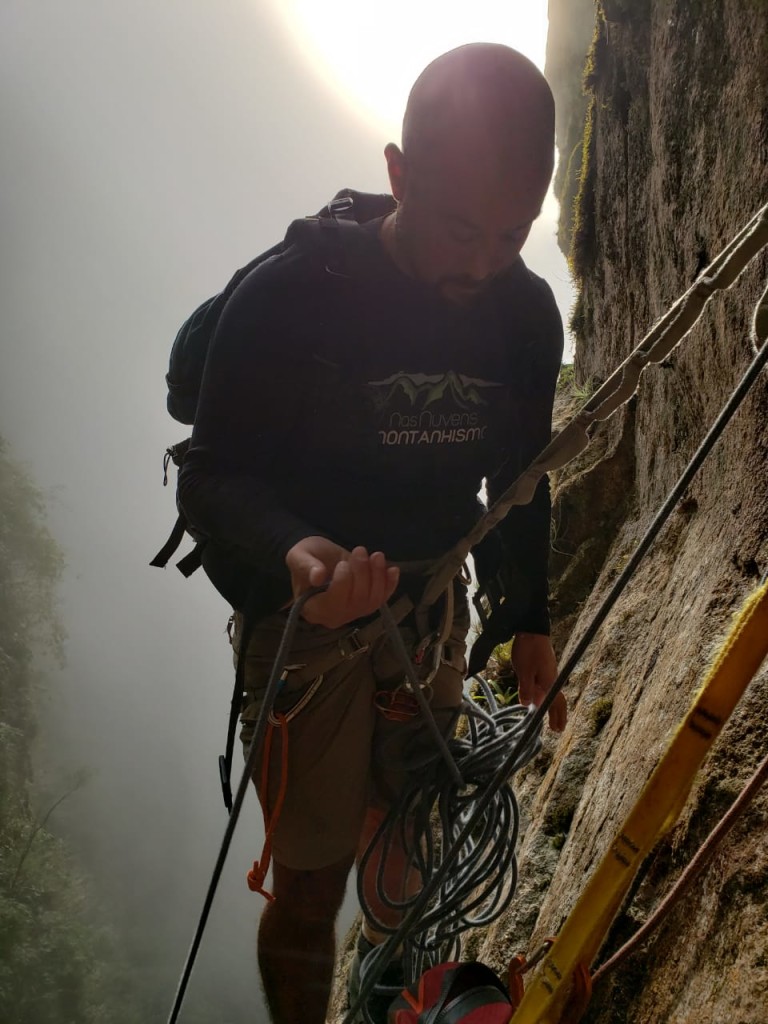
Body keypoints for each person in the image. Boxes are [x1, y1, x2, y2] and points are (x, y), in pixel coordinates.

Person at [179, 41, 568, 1024]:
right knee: (310, 879)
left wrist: (530, 614)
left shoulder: (523, 315)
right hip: (305, 626)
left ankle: (391, 993)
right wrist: (296, 553)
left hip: (428, 602)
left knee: (406, 840)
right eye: (460, 229)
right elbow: (212, 476)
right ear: (398, 175)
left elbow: (520, 477)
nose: (482, 262)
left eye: (514, 232)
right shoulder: (294, 295)